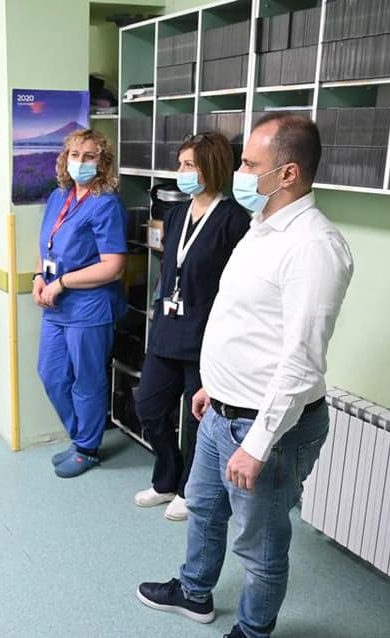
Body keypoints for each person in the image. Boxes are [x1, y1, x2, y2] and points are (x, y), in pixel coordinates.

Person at [136, 114, 353, 638]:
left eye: (251, 165)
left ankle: (254, 630)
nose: (240, 174)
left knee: (260, 546)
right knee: (204, 511)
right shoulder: (261, 227)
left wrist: (257, 444)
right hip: (222, 410)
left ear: (288, 173)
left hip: (266, 428)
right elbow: (245, 321)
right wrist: (215, 384)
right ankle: (195, 592)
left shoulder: (314, 247)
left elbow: (301, 360)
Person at [133, 132, 250, 521]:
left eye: (189, 165)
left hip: (206, 338)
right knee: (149, 406)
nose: (180, 172)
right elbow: (170, 270)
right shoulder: (176, 214)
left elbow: (236, 289)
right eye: (180, 164)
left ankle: (188, 489)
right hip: (168, 330)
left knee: (198, 420)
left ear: (211, 168)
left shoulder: (235, 220)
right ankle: (166, 478)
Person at [34, 129, 127, 478]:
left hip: (89, 307)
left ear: (102, 162)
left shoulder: (106, 204)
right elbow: (46, 244)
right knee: (51, 374)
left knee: (86, 381)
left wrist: (62, 283)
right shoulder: (59, 196)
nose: (80, 162)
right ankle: (81, 438)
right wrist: (38, 277)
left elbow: (113, 266)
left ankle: (87, 448)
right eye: (75, 155)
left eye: (89, 156)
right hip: (56, 305)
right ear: (65, 158)